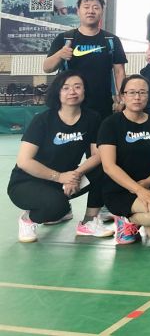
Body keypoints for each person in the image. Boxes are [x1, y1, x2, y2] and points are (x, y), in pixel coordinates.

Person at [8, 71, 113, 242]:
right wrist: (60, 177)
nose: (72, 92)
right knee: (57, 207)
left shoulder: (92, 118)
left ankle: (89, 222)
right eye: (66, 88)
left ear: (85, 91)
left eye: (77, 87)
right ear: (58, 92)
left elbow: (98, 154)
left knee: (105, 168)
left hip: (67, 180)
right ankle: (28, 219)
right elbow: (24, 161)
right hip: (27, 182)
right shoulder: (42, 120)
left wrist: (76, 174)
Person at [98, 75, 150, 245]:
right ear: (123, 96)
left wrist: (147, 183)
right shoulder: (110, 124)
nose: (137, 97)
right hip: (119, 190)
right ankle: (124, 218)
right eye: (132, 92)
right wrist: (138, 190)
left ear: (148, 95)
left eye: (142, 92)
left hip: (149, 187)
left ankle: (134, 218)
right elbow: (109, 166)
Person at [43, 0, 127, 120]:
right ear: (78, 11)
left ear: (102, 12)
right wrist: (60, 54)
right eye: (86, 7)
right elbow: (47, 68)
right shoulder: (64, 39)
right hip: (70, 105)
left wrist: (122, 98)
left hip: (102, 105)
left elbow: (119, 72)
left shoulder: (111, 40)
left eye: (96, 7)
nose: (91, 11)